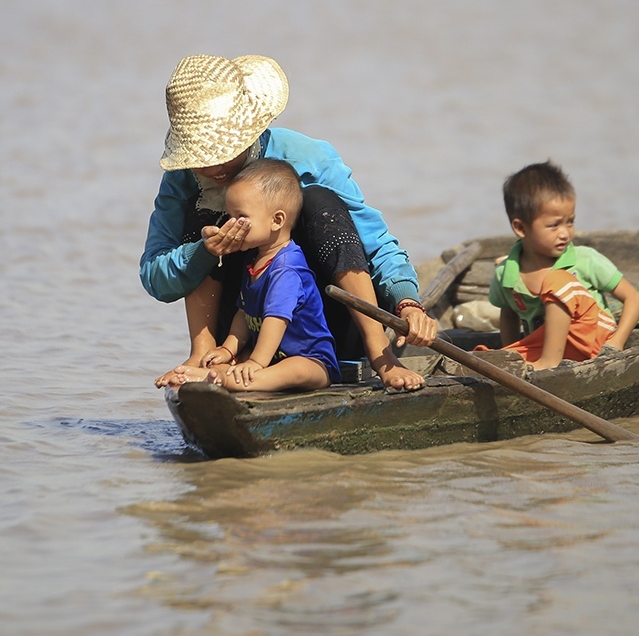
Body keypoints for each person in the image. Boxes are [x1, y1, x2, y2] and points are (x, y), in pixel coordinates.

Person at [144, 54, 437, 391]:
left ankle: (381, 356)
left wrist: (408, 302)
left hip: (322, 331)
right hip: (243, 336)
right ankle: (204, 357)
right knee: (202, 215)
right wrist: (204, 252)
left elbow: (377, 243)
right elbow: (155, 278)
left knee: (317, 201)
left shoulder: (308, 157)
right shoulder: (182, 183)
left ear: (249, 131)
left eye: (223, 153)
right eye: (202, 158)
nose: (212, 168)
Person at [163, 159, 341, 392]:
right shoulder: (254, 261)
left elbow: (276, 321)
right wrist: (227, 349)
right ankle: (205, 375)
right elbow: (245, 313)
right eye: (229, 215)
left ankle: (223, 380)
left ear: (277, 220)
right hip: (271, 357)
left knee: (293, 369)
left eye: (240, 216)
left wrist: (257, 362)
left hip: (311, 360)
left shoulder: (286, 268)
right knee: (234, 365)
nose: (230, 223)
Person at [486, 161, 639, 369]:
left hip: (595, 342)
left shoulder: (585, 259)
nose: (565, 233)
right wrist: (510, 356)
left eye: (570, 221)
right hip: (546, 347)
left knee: (556, 281)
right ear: (520, 228)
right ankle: (542, 361)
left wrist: (617, 342)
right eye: (554, 225)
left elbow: (633, 298)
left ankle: (548, 362)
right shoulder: (506, 274)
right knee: (487, 360)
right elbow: (508, 314)